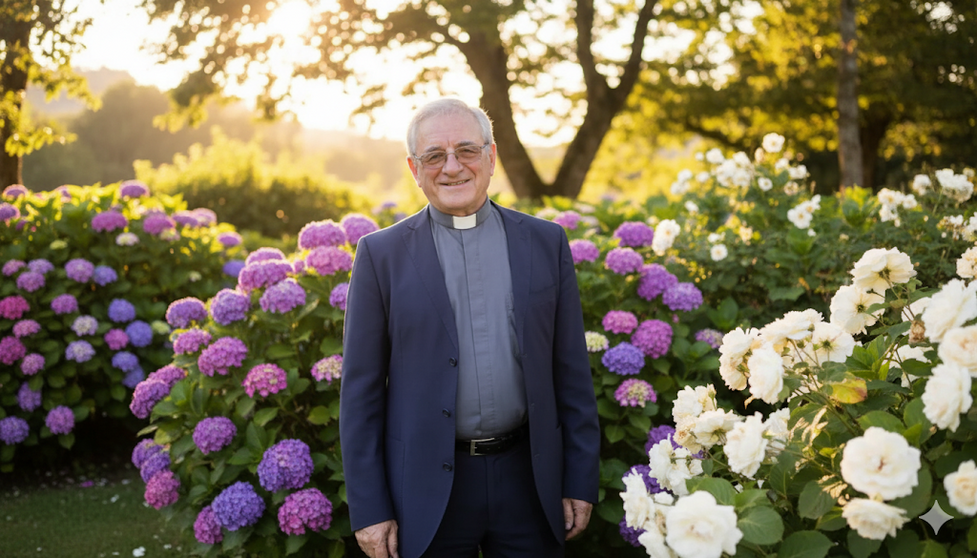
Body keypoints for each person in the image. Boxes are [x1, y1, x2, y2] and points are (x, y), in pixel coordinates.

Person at [339, 98, 600, 558]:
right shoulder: (380, 256)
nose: (452, 167)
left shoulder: (545, 242)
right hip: (424, 489)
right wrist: (370, 508)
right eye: (434, 156)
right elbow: (360, 395)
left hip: (529, 480)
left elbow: (571, 373)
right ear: (414, 168)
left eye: (467, 151)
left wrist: (580, 479)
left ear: (492, 156)